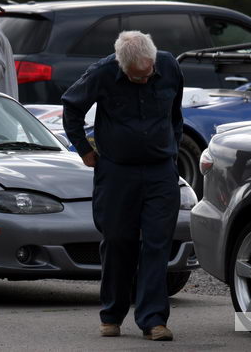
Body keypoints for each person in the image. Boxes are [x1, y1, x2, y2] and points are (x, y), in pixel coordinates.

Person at [61, 31, 183, 341]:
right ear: (122, 65)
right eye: (136, 77)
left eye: (148, 74)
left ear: (153, 60)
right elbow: (72, 108)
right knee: (117, 241)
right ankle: (112, 314)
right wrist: (84, 150)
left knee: (157, 244)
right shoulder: (102, 73)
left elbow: (176, 113)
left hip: (160, 171)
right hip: (117, 172)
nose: (145, 79)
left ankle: (153, 319)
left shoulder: (168, 66)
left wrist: (171, 147)